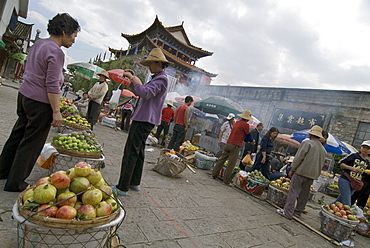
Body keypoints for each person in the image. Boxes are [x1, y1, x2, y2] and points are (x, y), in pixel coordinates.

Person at [0, 13, 80, 192]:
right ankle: (16, 182)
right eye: (74, 36)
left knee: (18, 134)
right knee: (31, 143)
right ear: (64, 32)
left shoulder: (39, 44)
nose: (74, 40)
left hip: (24, 96)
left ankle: (3, 170)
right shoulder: (56, 52)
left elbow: (28, 65)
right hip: (39, 102)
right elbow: (51, 84)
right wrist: (56, 111)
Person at [113, 48, 169, 196]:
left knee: (131, 151)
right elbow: (141, 91)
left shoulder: (161, 79)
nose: (149, 66)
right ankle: (134, 182)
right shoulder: (157, 78)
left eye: (151, 63)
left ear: (158, 63)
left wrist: (133, 79)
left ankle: (122, 186)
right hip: (145, 119)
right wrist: (133, 78)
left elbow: (144, 92)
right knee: (138, 151)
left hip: (144, 119)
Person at [277, 125, 327, 219]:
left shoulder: (307, 143)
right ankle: (298, 212)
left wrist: (292, 168)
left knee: (293, 191)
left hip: (301, 171)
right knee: (304, 194)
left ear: (311, 135)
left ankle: (288, 212)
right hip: (312, 175)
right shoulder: (323, 150)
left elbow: (299, 157)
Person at [212, 110, 254, 185]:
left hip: (228, 143)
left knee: (222, 159)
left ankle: (214, 174)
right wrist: (252, 141)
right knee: (231, 164)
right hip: (235, 145)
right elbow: (248, 136)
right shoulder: (245, 125)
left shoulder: (237, 123)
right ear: (247, 119)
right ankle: (226, 180)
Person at [334, 140, 370, 206]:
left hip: (355, 183)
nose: (365, 149)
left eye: (368, 148)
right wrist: (352, 168)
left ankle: (323, 212)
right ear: (360, 147)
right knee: (347, 203)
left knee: (339, 201)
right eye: (363, 147)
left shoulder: (367, 162)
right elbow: (341, 163)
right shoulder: (354, 156)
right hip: (345, 180)